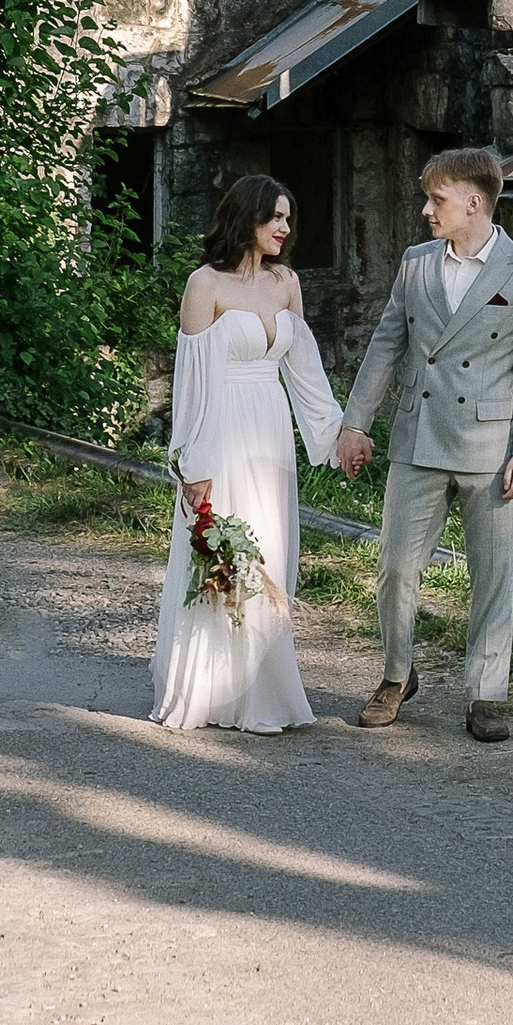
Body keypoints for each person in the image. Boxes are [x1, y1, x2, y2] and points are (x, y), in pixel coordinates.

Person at [333, 146, 513, 738]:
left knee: (492, 575)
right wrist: (356, 422)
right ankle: (396, 675)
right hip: (418, 437)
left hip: (491, 448)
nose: (426, 209)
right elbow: (385, 345)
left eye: (437, 199)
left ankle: (485, 695)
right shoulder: (416, 263)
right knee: (395, 569)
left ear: (474, 201)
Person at [150, 175, 345, 735]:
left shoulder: (286, 281)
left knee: (271, 555)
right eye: (275, 218)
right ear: (247, 220)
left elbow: (305, 372)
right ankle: (211, 691)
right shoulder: (203, 283)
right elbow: (192, 385)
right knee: (225, 555)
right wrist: (194, 465)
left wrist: (336, 434)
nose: (286, 228)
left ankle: (264, 691)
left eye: (289, 218)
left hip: (271, 432)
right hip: (223, 430)